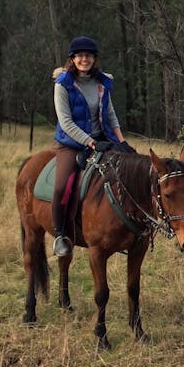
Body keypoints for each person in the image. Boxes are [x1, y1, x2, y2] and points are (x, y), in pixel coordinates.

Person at [51, 36, 134, 257]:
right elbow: (66, 122)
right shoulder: (63, 84)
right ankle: (60, 234)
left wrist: (122, 141)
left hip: (104, 140)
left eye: (88, 55)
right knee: (61, 186)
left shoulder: (102, 83)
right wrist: (90, 142)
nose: (84, 59)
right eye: (79, 55)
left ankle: (126, 227)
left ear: (94, 58)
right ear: (72, 58)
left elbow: (111, 115)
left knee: (129, 173)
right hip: (71, 144)